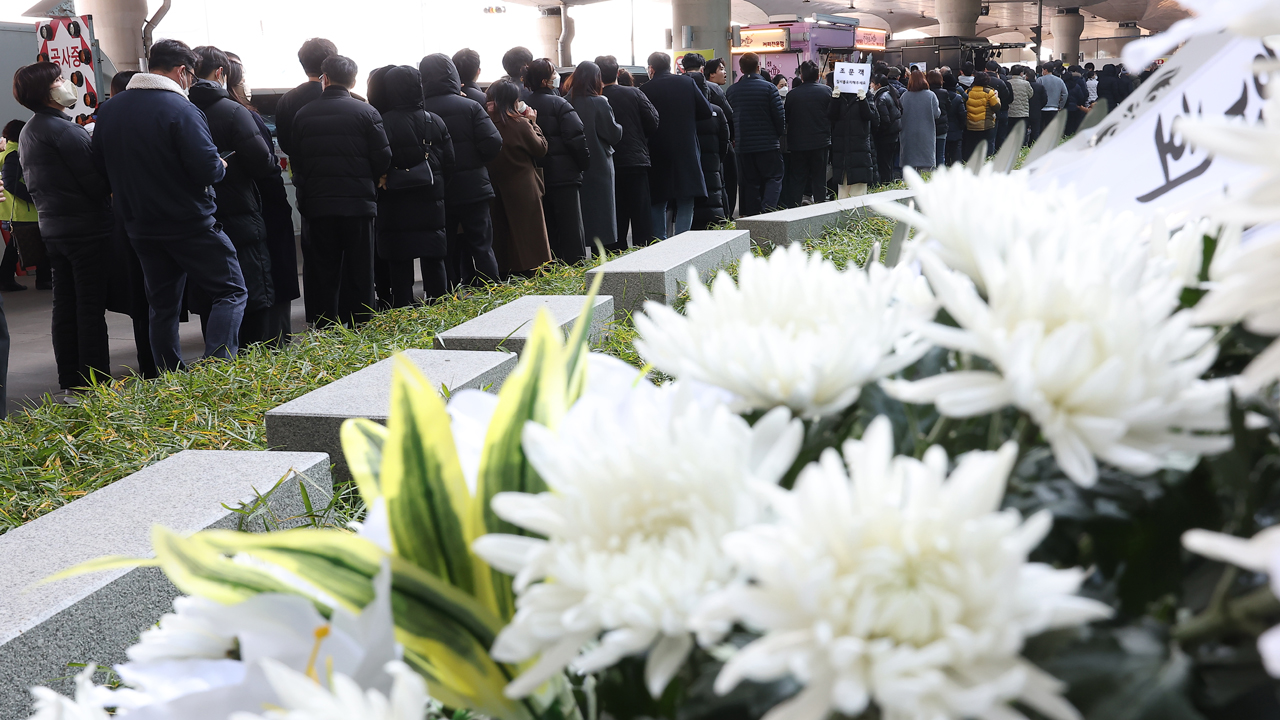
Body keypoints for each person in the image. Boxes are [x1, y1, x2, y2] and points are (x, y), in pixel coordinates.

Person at [94, 40, 247, 371]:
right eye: (190, 75)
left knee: (161, 305)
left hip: (139, 225)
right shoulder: (181, 109)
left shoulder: (109, 110)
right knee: (231, 291)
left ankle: (169, 374)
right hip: (189, 222)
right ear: (182, 72)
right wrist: (220, 165)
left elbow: (100, 169)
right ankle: (218, 368)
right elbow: (207, 168)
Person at [14, 61, 114, 393]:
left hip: (53, 228)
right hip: (85, 229)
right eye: (58, 79)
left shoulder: (30, 130)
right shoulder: (65, 130)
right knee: (89, 306)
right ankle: (95, 381)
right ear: (47, 91)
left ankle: (70, 379)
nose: (64, 83)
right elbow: (95, 184)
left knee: (65, 305)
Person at [289, 54, 391, 327]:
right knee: (360, 265)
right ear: (353, 81)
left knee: (323, 266)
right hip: (358, 203)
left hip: (318, 204)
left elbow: (296, 160)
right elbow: (383, 157)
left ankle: (325, 324)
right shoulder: (367, 113)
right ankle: (359, 322)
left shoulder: (303, 114)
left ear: (326, 79)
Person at [189, 46, 280, 348]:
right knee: (251, 287)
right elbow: (263, 163)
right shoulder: (234, 111)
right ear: (221, 73)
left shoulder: (182, 110)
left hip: (201, 215)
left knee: (213, 292)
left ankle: (219, 362)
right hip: (242, 211)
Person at [226, 53, 297, 347]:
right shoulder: (242, 114)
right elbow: (265, 165)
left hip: (224, 213)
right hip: (260, 209)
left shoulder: (193, 111)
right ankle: (275, 343)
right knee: (270, 278)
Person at [373, 65, 455, 307]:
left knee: (399, 257)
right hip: (431, 198)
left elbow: (378, 159)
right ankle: (439, 305)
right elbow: (450, 162)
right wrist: (438, 185)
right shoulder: (434, 121)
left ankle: (404, 306)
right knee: (433, 255)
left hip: (394, 201)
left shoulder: (382, 122)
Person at [419, 53, 502, 289]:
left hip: (436, 189)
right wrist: (477, 162)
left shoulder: (420, 111)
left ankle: (447, 296)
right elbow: (493, 142)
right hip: (473, 186)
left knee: (444, 247)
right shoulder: (470, 106)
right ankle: (493, 293)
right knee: (482, 244)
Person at [274, 37, 337, 322]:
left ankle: (318, 314)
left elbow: (286, 143)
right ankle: (352, 310)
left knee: (314, 251)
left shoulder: (288, 100)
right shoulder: (348, 96)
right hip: (349, 185)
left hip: (308, 183)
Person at [524, 59, 590, 263]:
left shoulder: (523, 105)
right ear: (545, 81)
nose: (557, 77)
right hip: (564, 176)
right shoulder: (560, 103)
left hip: (538, 176)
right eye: (553, 74)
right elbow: (576, 137)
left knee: (549, 228)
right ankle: (576, 268)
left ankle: (554, 266)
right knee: (571, 228)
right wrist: (583, 164)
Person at [642, 51, 714, 237]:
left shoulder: (645, 89)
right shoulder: (687, 83)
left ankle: (659, 242)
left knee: (658, 199)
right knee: (686, 197)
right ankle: (682, 241)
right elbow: (706, 111)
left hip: (657, 149)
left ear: (651, 68)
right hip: (686, 147)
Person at [485, 79, 551, 276]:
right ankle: (533, 270)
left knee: (503, 232)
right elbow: (541, 148)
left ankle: (506, 270)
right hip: (524, 185)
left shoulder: (485, 124)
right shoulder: (520, 124)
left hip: (496, 184)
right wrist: (533, 122)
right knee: (530, 232)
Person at [597, 55, 658, 251]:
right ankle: (644, 253)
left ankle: (615, 254)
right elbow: (653, 121)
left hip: (608, 163)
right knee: (641, 213)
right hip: (635, 160)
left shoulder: (595, 99)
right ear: (617, 73)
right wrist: (640, 136)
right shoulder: (634, 93)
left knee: (615, 212)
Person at [567, 61, 623, 250]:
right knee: (602, 212)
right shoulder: (600, 102)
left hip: (573, 164)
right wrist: (621, 127)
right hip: (599, 162)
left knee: (579, 212)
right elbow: (613, 134)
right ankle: (603, 254)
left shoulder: (565, 101)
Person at [725, 52, 783, 217]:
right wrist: (776, 135)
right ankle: (768, 211)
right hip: (768, 144)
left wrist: (735, 138)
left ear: (741, 69)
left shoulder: (732, 91)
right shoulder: (769, 88)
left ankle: (751, 216)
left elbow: (729, 118)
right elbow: (779, 117)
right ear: (759, 67)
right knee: (774, 177)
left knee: (749, 182)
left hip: (743, 146)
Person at [780, 60, 832, 207]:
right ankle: (821, 207)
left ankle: (795, 208)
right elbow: (831, 115)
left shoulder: (792, 95)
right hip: (821, 142)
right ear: (817, 76)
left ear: (801, 76)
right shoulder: (826, 92)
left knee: (798, 178)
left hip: (798, 144)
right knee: (819, 178)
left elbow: (787, 118)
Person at [689, 70, 730, 228]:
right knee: (714, 194)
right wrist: (718, 159)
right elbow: (724, 141)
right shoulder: (717, 111)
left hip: (692, 164)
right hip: (713, 164)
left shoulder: (685, 112)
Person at [1, 120, 37, 291]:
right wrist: (33, 197)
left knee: (18, 245)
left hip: (15, 209)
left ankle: (5, 279)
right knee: (19, 245)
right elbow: (10, 182)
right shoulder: (14, 154)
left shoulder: (9, 151)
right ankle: (5, 280)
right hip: (22, 209)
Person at [828, 74, 878, 198]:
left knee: (858, 194)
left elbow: (873, 118)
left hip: (860, 151)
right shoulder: (839, 96)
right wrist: (834, 99)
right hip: (842, 152)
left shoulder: (866, 95)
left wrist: (863, 100)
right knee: (842, 194)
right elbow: (830, 117)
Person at [704, 57, 737, 217]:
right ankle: (726, 215)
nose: (725, 73)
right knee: (725, 181)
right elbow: (730, 116)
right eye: (721, 69)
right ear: (711, 74)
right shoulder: (716, 91)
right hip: (718, 146)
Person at [899, 69, 939, 173]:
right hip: (926, 134)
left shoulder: (904, 96)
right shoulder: (931, 95)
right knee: (927, 168)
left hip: (908, 134)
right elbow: (936, 114)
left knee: (909, 169)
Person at [870, 74, 902, 184]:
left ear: (878, 85)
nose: (871, 85)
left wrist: (876, 132)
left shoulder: (881, 98)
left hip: (885, 136)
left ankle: (886, 184)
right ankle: (889, 182)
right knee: (888, 163)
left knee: (884, 164)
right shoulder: (889, 93)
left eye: (872, 83)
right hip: (893, 134)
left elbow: (884, 120)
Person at [962, 72, 1000, 160]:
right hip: (986, 125)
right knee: (988, 146)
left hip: (971, 124)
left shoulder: (968, 91)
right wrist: (997, 98)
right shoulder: (990, 92)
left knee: (972, 146)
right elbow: (996, 107)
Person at [925, 70, 950, 167]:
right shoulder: (944, 93)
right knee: (940, 154)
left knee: (929, 155)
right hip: (941, 128)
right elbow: (949, 107)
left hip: (928, 128)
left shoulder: (926, 93)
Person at [986, 61, 1013, 151]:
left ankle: (989, 155)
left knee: (989, 138)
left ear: (985, 69)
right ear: (996, 70)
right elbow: (1008, 97)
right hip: (1002, 111)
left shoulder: (980, 81)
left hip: (985, 113)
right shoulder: (1001, 82)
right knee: (1001, 135)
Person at [942, 71, 967, 167]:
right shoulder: (958, 98)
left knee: (944, 153)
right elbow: (962, 114)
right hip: (956, 129)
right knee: (956, 152)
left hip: (942, 129)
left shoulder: (939, 96)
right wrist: (961, 126)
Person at [1038, 64, 1068, 136]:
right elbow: (1065, 94)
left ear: (1045, 70)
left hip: (1042, 109)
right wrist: (1061, 105)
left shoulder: (1040, 80)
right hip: (1054, 108)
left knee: (1041, 129)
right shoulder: (1059, 80)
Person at [1007, 67, 1033, 147]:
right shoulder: (1026, 83)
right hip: (1023, 112)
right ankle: (1022, 147)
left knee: (1010, 131)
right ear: (1021, 73)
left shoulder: (1007, 82)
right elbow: (1030, 94)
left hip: (1010, 112)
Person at [1064, 66, 1090, 136]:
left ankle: (1067, 135)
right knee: (1075, 123)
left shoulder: (1063, 85)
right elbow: (1081, 96)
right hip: (1076, 107)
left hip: (1065, 108)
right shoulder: (1077, 85)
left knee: (1067, 124)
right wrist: (1080, 105)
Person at [1026, 66, 1047, 144]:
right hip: (1036, 111)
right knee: (1036, 130)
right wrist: (1039, 106)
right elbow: (1045, 99)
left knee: (1024, 130)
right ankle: (1034, 144)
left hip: (1025, 111)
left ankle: (1024, 145)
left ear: (1026, 76)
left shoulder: (1025, 85)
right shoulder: (1040, 86)